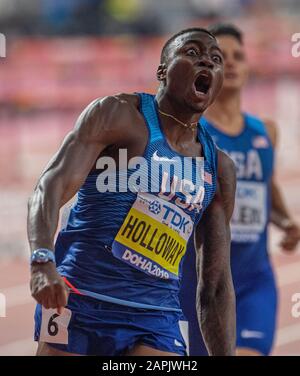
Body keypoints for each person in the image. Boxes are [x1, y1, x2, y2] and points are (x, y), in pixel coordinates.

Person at [27, 27, 237, 356]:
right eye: (192, 53)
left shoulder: (217, 168)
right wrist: (42, 261)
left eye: (215, 59)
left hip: (156, 317)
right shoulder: (119, 116)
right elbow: (50, 185)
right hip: (77, 298)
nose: (207, 64)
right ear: (162, 71)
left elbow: (216, 283)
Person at [180, 23, 300, 356]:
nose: (231, 63)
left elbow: (265, 187)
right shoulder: (188, 130)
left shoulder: (267, 132)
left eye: (239, 56)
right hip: (197, 283)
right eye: (221, 57)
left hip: (253, 281)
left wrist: (286, 221)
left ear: (248, 67)